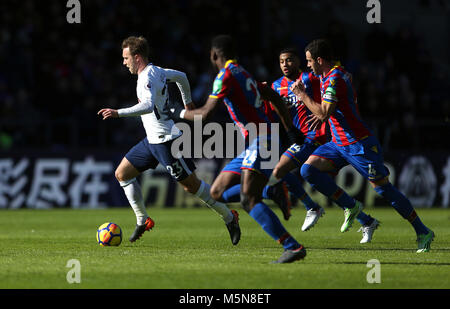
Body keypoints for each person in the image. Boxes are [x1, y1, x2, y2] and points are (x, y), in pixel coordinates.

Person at [290, 39, 434, 252]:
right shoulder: (327, 74)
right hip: (338, 144)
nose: (308, 65)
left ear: (320, 60)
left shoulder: (334, 79)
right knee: (307, 169)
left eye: (310, 61)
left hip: (359, 145)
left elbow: (323, 112)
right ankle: (351, 206)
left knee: (384, 190)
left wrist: (302, 96)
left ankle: (423, 231)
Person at [172, 35, 306, 263]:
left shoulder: (224, 76)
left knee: (247, 200)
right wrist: (290, 129)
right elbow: (274, 96)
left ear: (214, 55)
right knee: (216, 193)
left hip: (262, 141)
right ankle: (269, 190)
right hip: (258, 142)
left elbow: (204, 115)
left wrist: (178, 112)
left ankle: (292, 247)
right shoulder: (245, 74)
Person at [97, 36, 240, 245]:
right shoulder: (158, 71)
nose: (124, 62)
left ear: (137, 57)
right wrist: (188, 101)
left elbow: (147, 105)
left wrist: (118, 112)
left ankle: (229, 217)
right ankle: (143, 219)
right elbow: (181, 76)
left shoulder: (147, 78)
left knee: (191, 186)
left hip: (166, 142)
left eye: (126, 58)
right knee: (122, 174)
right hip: (151, 141)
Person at [267, 47, 380, 243]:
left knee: (279, 171)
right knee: (306, 177)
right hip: (300, 138)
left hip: (315, 136)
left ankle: (312, 207)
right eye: (282, 61)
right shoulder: (277, 86)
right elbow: (272, 110)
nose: (285, 64)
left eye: (290, 60)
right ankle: (366, 220)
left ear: (299, 61)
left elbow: (334, 84)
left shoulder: (310, 78)